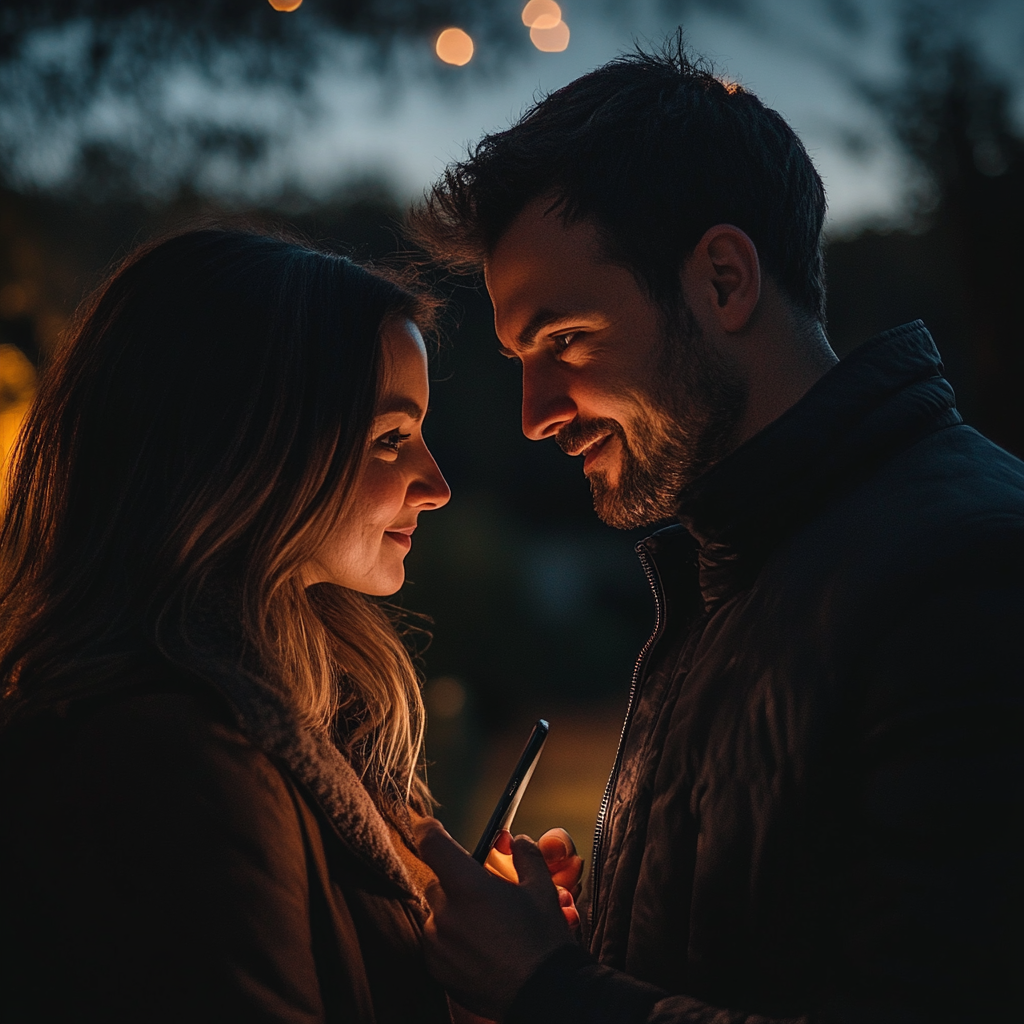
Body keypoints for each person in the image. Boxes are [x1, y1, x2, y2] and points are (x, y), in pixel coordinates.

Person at [406, 40, 1024, 1024]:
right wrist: (582, 945)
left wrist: (550, 992)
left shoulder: (969, 574)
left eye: (562, 340)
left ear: (725, 280)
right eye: (522, 356)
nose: (533, 412)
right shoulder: (729, 572)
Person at [0, 228, 458, 1022]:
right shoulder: (176, 761)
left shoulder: (297, 724)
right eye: (391, 439)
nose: (437, 484)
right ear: (250, 447)